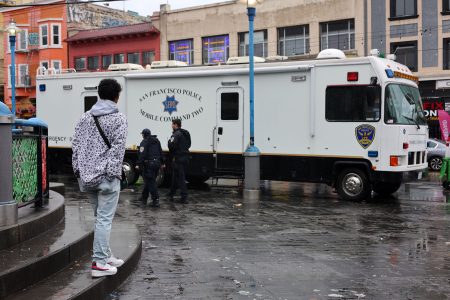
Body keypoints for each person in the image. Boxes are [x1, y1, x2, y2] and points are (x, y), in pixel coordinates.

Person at [72, 78, 128, 278]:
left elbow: (76, 145)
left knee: (100, 219)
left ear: (99, 94)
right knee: (104, 220)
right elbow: (118, 150)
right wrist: (113, 174)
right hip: (106, 178)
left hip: (87, 178)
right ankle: (99, 263)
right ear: (116, 96)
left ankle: (105, 255)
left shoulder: (85, 117)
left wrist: (78, 171)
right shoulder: (119, 118)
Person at [136, 128, 164, 207]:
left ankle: (156, 199)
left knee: (151, 182)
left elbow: (142, 154)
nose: (142, 136)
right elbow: (160, 151)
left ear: (144, 134)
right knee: (149, 180)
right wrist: (163, 162)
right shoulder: (156, 141)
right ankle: (144, 196)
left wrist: (138, 164)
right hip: (157, 163)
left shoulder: (144, 142)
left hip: (149, 164)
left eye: (142, 134)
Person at [168, 119, 191, 203]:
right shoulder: (185, 133)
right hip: (186, 158)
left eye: (172, 124)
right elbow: (189, 144)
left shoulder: (176, 134)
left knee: (181, 178)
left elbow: (171, 146)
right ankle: (171, 194)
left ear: (175, 125)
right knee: (175, 177)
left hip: (178, 159)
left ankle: (184, 197)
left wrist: (169, 142)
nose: (171, 126)